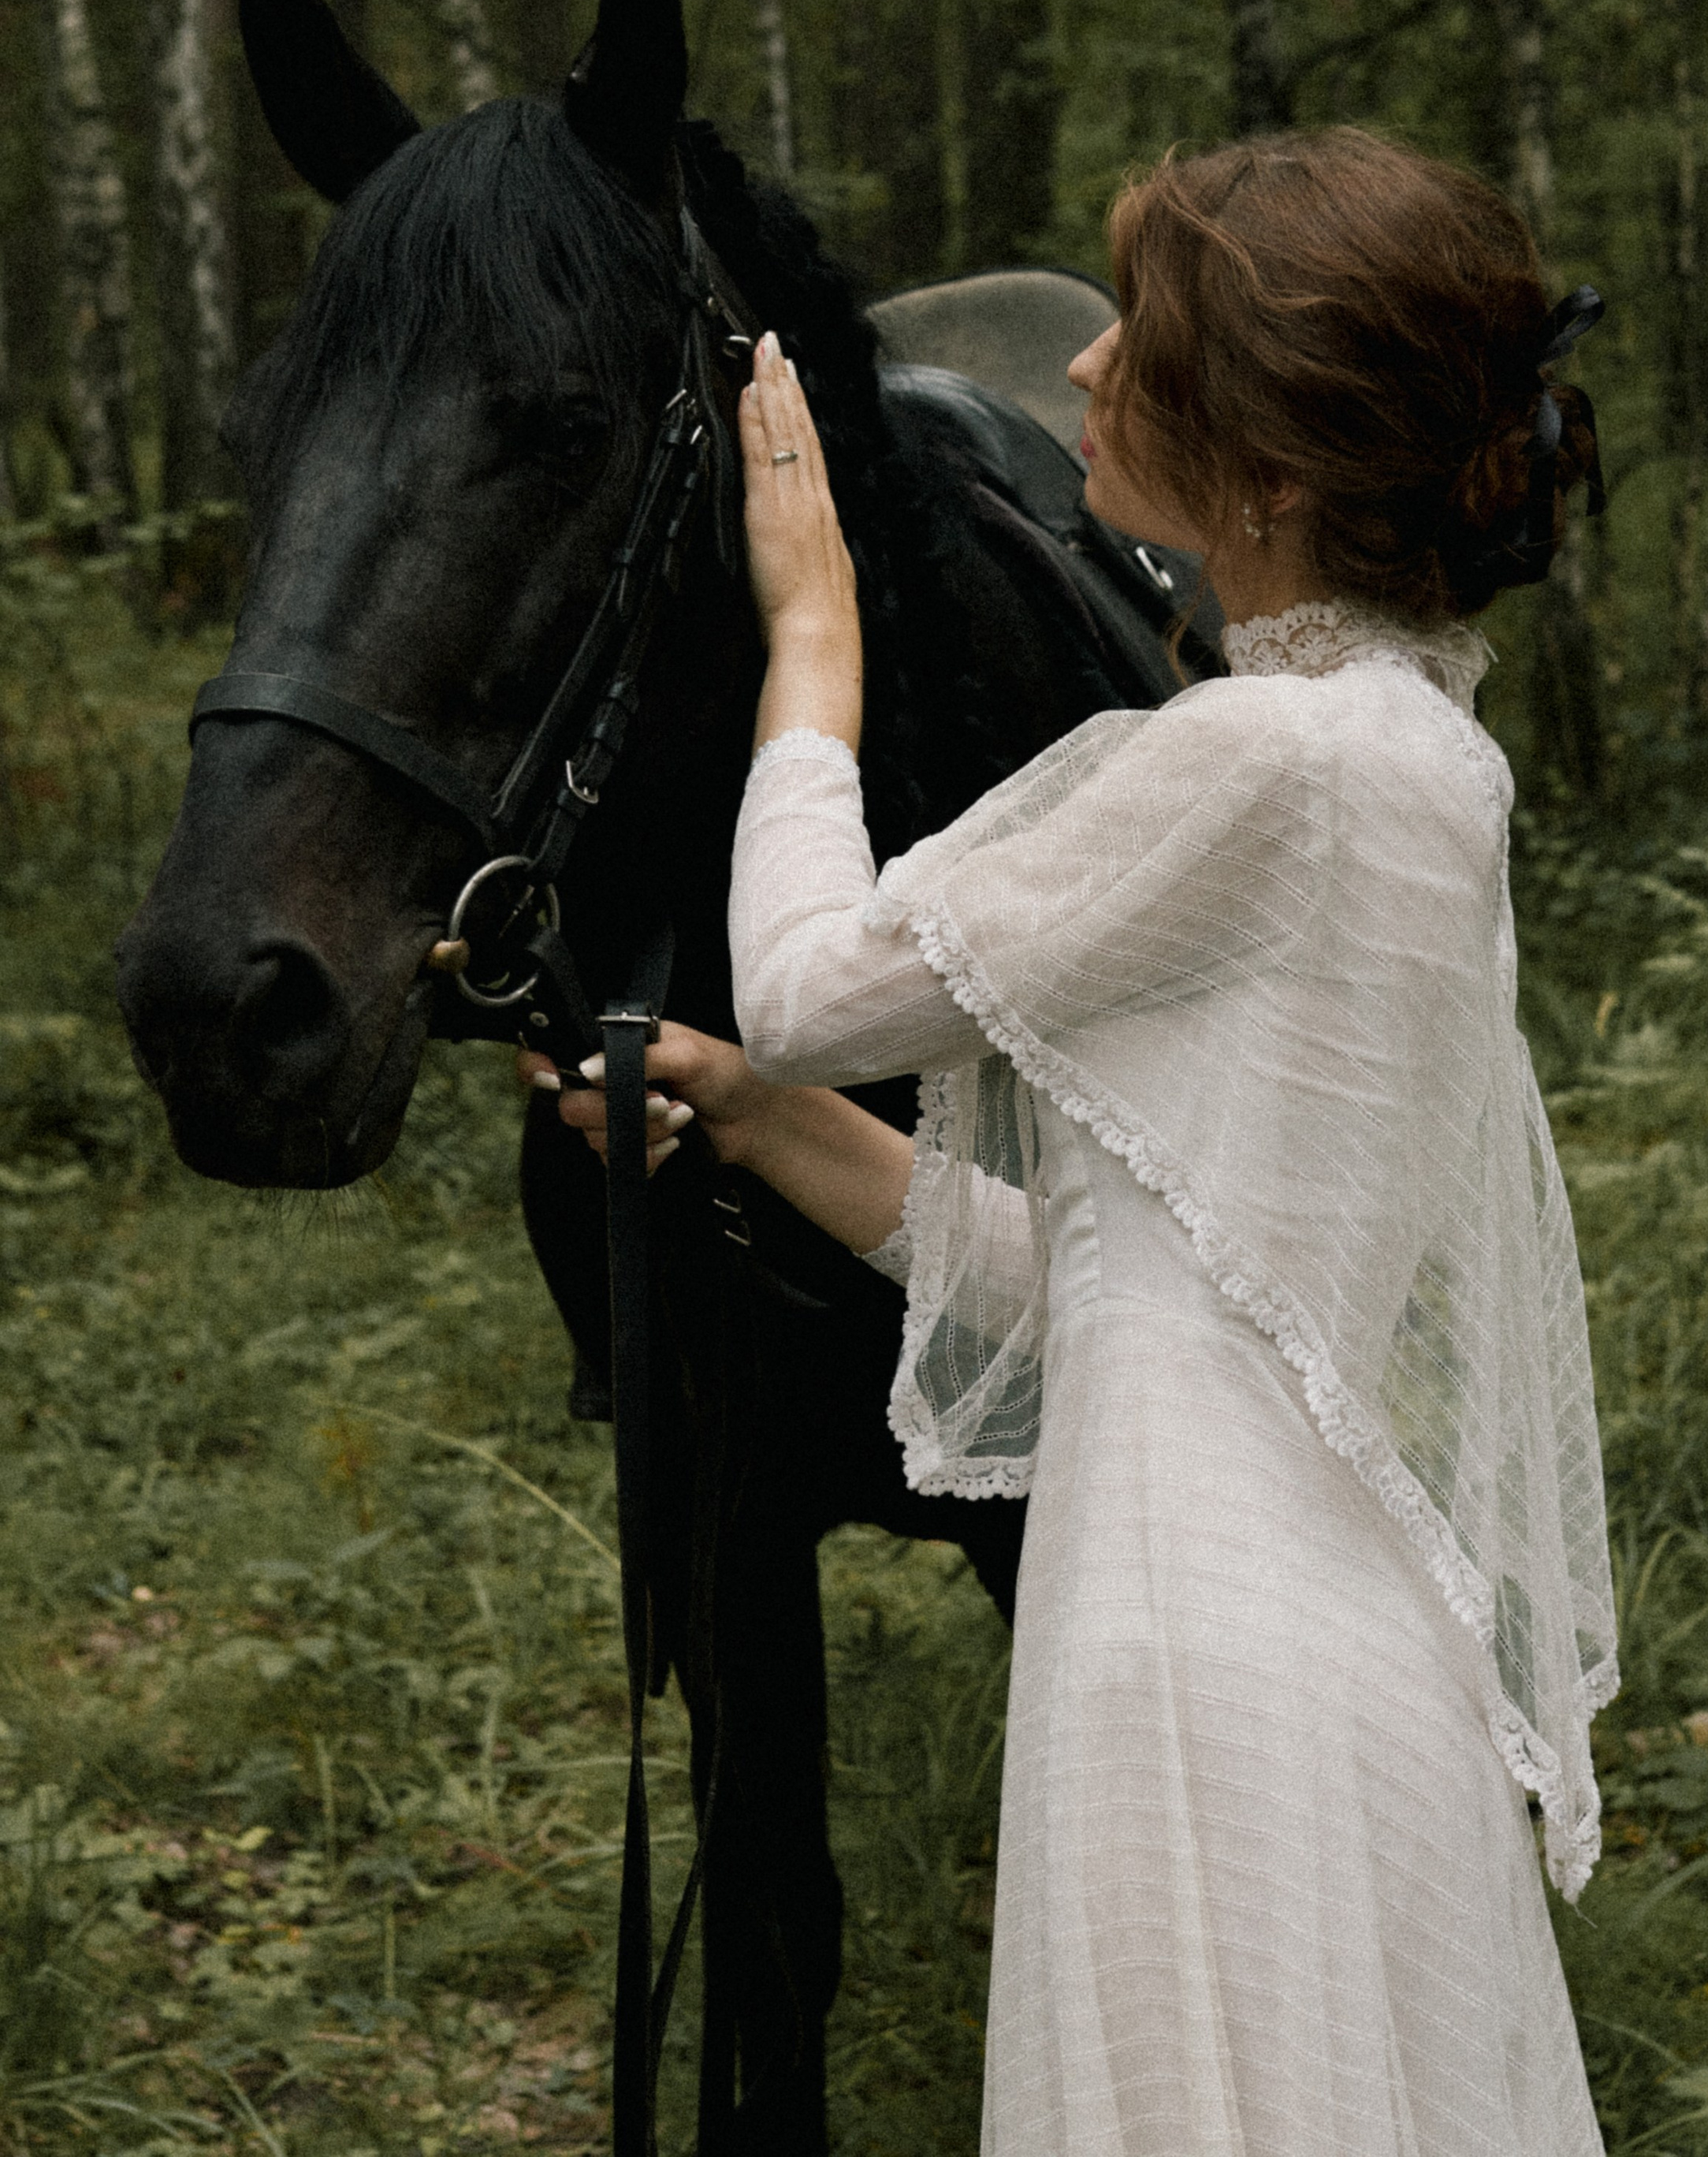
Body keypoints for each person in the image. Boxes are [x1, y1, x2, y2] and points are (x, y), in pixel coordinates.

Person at [525, 129, 1617, 2156]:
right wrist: (763, 1127)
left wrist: (814, 638)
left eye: (1151, 346)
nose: (1087, 370)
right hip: (1326, 1640)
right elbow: (1139, 1300)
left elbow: (817, 980)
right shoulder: (1415, 760)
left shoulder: (1252, 761)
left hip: (1196, 1683)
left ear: (1273, 474)